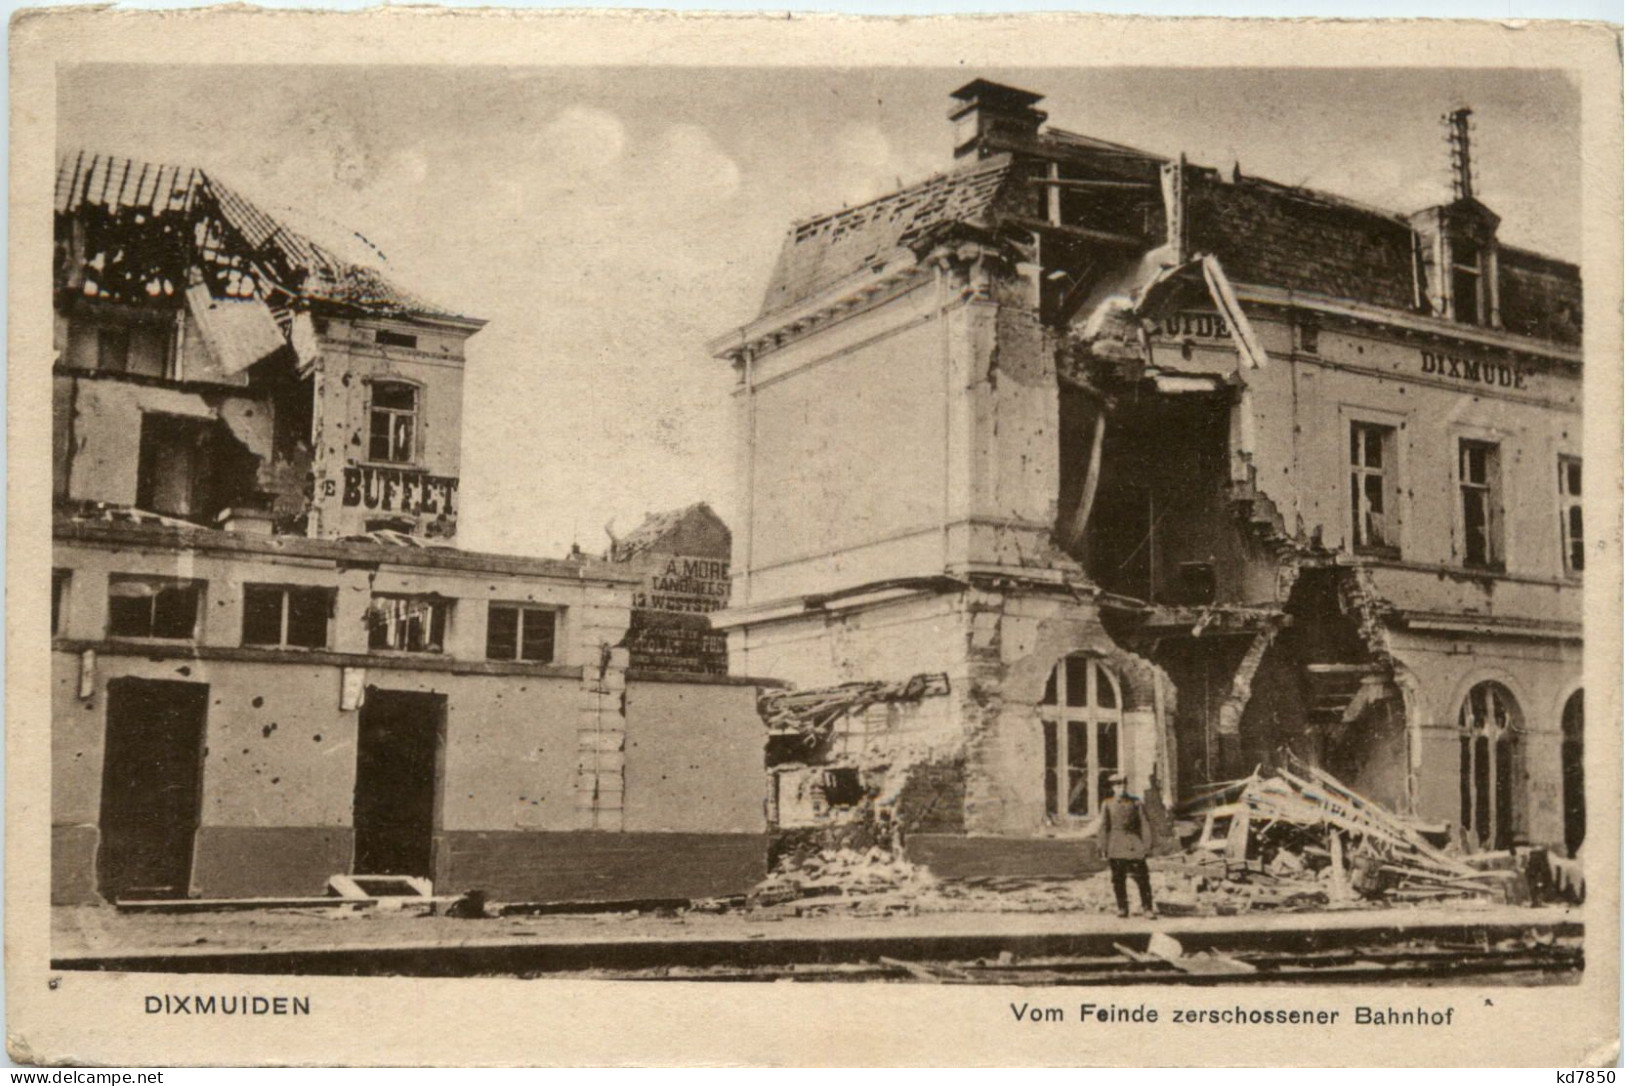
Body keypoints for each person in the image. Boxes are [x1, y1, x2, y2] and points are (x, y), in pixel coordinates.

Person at [1097, 770, 1157, 919]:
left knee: (1143, 878)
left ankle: (1147, 908)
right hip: (1116, 845)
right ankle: (1122, 908)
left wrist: (1147, 845)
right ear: (1112, 788)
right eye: (1117, 785)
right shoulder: (1108, 804)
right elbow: (1104, 827)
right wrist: (1102, 847)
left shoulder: (1136, 802)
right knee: (1118, 879)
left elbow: (1144, 824)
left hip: (1133, 844)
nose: (1121, 788)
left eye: (1123, 784)